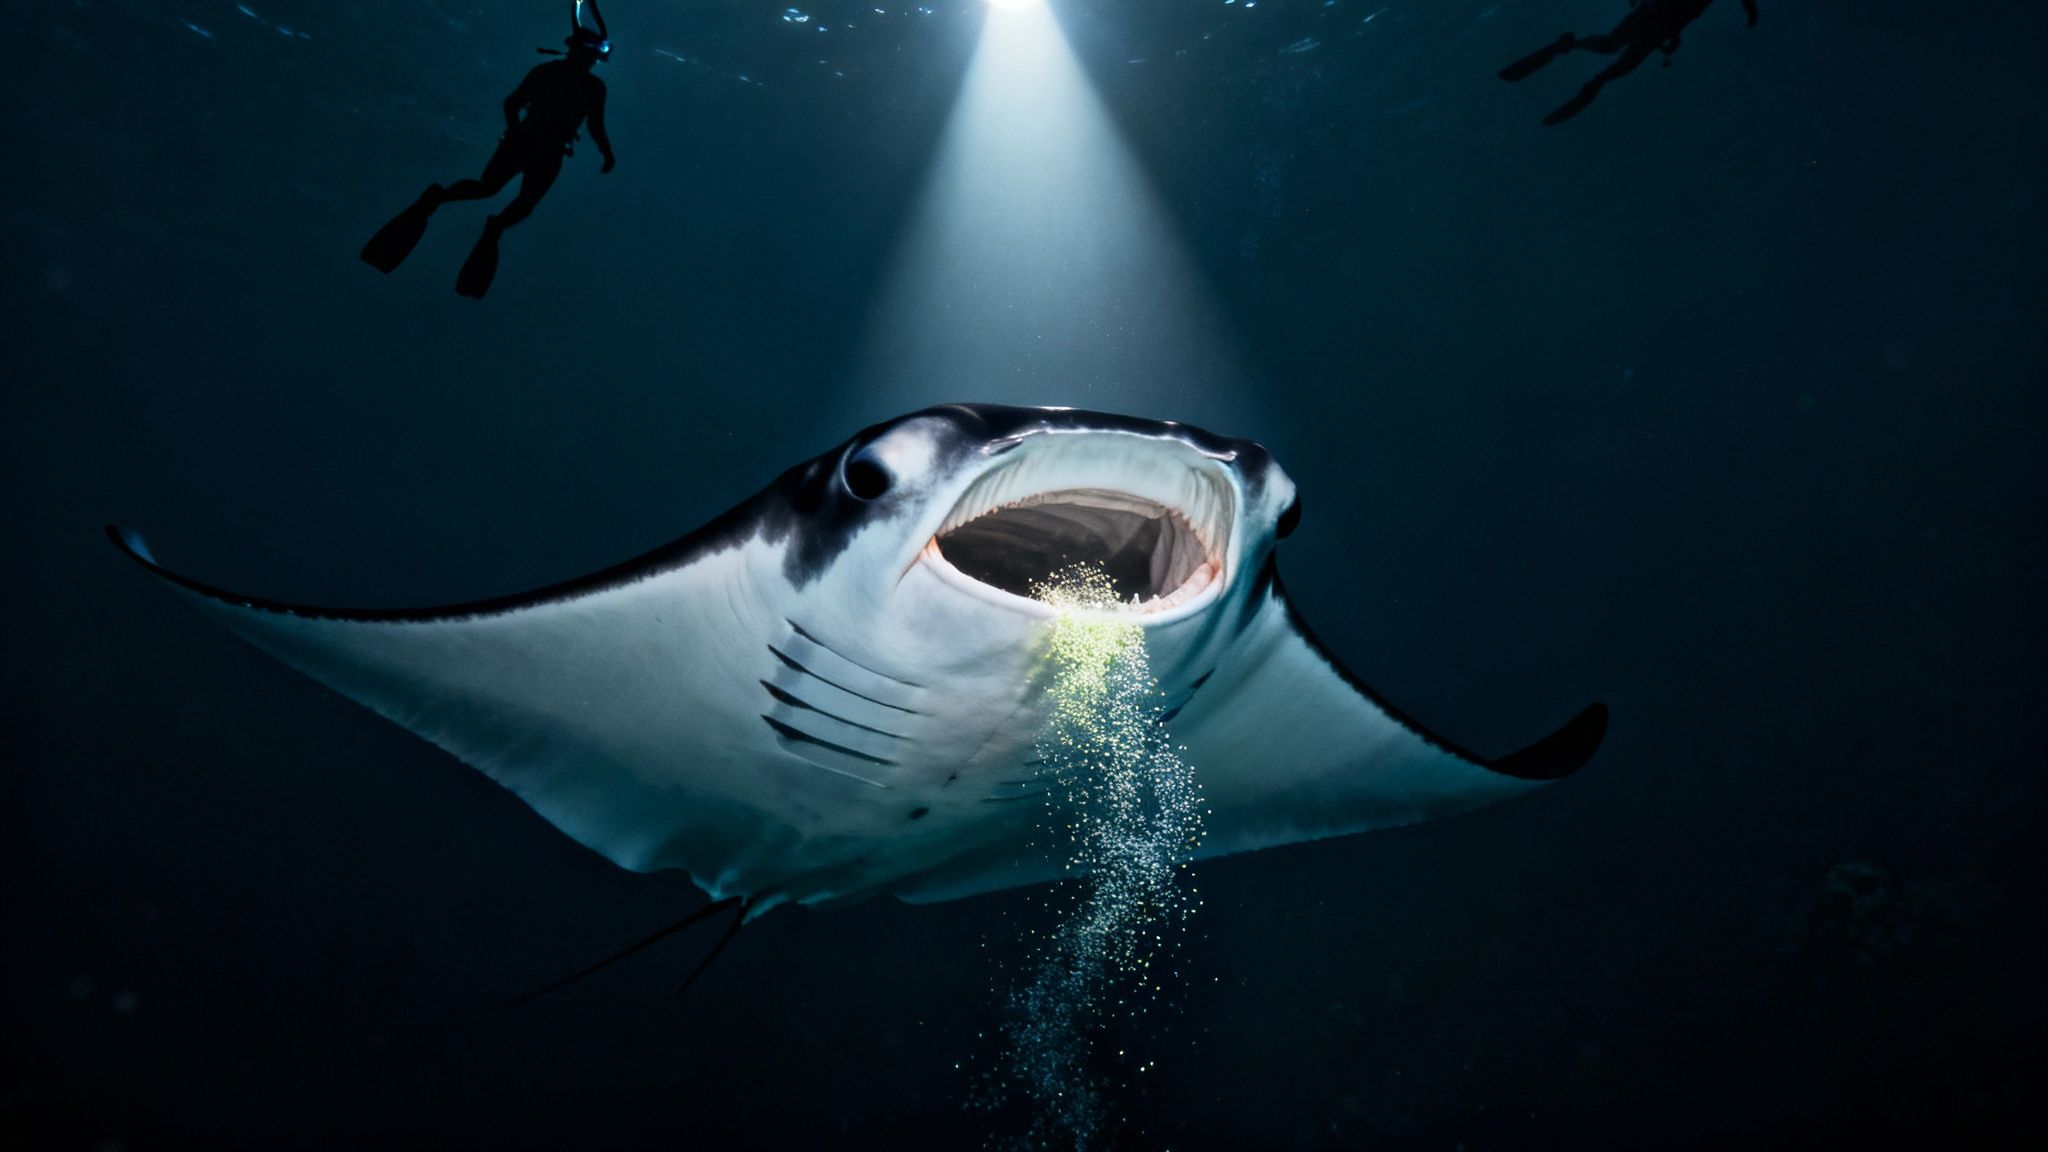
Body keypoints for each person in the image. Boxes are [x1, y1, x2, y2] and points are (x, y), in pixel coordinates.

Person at [361, 6, 616, 298]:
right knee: (513, 198)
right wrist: (605, 153)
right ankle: (489, 224)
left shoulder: (553, 74)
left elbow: (514, 105)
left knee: (493, 190)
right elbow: (591, 124)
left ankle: (443, 201)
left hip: (531, 146)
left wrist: (517, 133)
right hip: (544, 151)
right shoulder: (587, 85)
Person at [1498, 0, 1757, 126]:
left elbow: (1684, 16)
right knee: (1614, 50)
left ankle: (1579, 58)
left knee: (1617, 53)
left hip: (1657, 26)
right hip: (1652, 20)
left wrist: (1674, 35)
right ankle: (1582, 61)